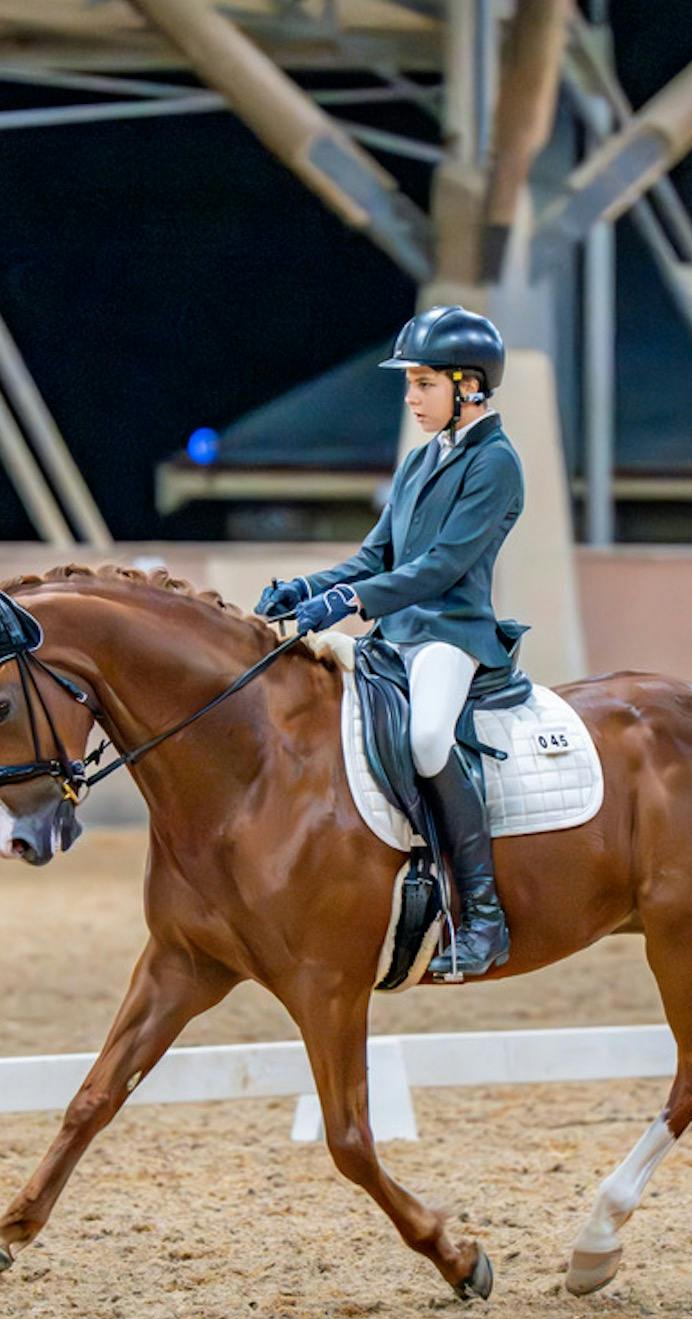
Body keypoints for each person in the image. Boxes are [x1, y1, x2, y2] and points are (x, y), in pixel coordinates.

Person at [256, 305, 524, 979]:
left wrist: (345, 604)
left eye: (424, 384)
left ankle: (484, 915)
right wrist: (305, 588)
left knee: (430, 739)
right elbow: (375, 556)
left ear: (471, 387)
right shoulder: (417, 462)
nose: (411, 398)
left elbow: (441, 566)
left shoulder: (496, 464)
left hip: (451, 634)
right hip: (397, 633)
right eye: (409, 383)